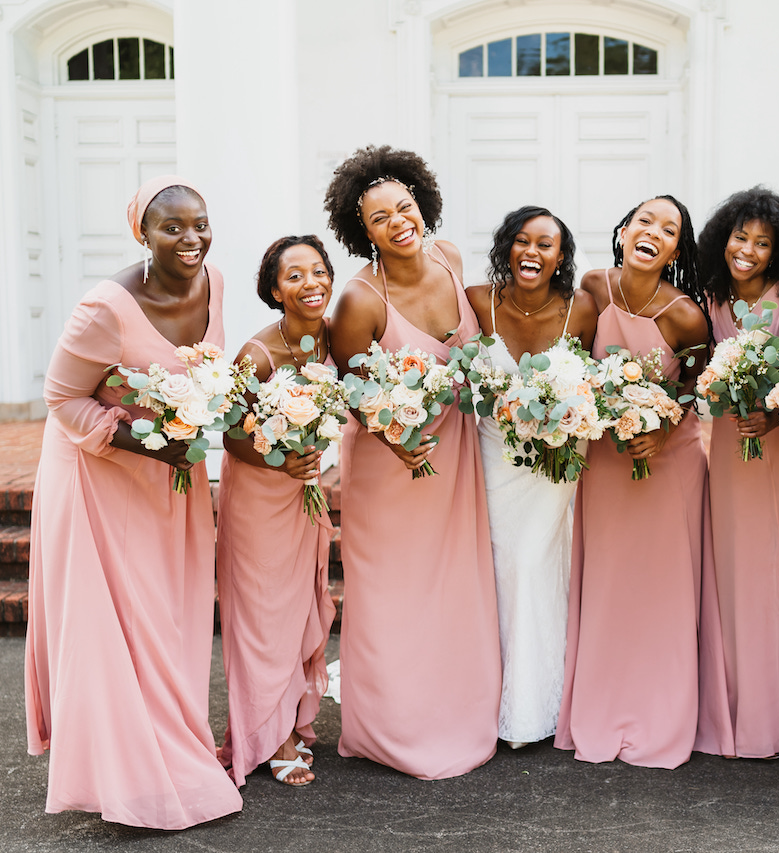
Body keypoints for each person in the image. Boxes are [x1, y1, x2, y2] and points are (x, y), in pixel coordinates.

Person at [24, 176, 243, 828]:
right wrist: (153, 446)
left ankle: (172, 739)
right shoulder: (105, 308)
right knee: (115, 621)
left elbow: (206, 375)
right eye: (171, 226)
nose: (191, 238)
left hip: (170, 476)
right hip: (98, 475)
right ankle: (124, 773)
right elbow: (62, 399)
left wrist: (194, 429)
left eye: (199, 223)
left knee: (170, 612)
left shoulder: (218, 283)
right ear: (140, 234)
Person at [325, 145, 501, 779]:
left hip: (453, 449)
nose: (400, 222)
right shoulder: (359, 301)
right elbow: (347, 389)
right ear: (360, 230)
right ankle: (392, 727)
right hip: (392, 461)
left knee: (453, 578)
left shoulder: (449, 259)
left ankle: (456, 708)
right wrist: (393, 434)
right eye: (379, 217)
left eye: (405, 207)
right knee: (395, 588)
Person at [555, 195, 721, 768]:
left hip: (666, 465)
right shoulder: (594, 289)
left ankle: (660, 714)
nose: (654, 232)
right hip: (604, 461)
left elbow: (699, 389)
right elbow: (568, 365)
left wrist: (663, 422)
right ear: (623, 231)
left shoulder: (685, 314)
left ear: (677, 249)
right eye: (645, 220)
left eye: (669, 229)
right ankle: (599, 709)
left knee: (662, 591)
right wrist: (588, 407)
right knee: (606, 585)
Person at [465, 206, 599, 749]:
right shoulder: (478, 302)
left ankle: (533, 706)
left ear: (562, 256)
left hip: (555, 461)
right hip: (495, 455)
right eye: (522, 241)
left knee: (534, 563)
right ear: (506, 247)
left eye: (545, 244)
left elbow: (595, 382)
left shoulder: (582, 310)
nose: (532, 253)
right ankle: (481, 693)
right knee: (496, 566)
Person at [697, 188, 779, 759]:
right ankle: (735, 703)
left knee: (777, 561)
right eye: (740, 237)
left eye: (762, 242)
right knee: (733, 563)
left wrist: (774, 414)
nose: (747, 249)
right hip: (728, 441)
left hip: (774, 439)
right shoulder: (710, 294)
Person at [215, 235, 338, 788]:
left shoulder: (331, 340)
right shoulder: (256, 354)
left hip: (302, 493)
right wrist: (282, 457)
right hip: (260, 497)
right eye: (295, 276)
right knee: (263, 617)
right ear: (274, 290)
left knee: (295, 611)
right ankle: (272, 738)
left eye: (318, 271)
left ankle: (289, 719)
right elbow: (228, 433)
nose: (310, 283)